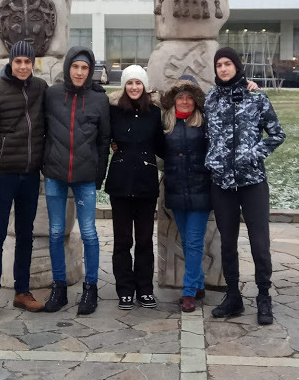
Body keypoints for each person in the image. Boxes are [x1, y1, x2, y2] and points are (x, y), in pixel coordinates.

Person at [204, 47, 285, 325]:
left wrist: (252, 154)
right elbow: (205, 135)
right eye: (219, 65)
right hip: (222, 184)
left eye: (228, 64)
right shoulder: (210, 99)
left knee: (259, 243)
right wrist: (212, 160)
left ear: (237, 66)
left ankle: (263, 296)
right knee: (227, 244)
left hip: (252, 183)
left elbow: (277, 134)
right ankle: (233, 297)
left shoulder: (256, 97)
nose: (223, 69)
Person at [0, 41, 47, 319]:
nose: (23, 66)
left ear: (33, 63)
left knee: (26, 235)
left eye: (28, 62)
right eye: (19, 62)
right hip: (2, 175)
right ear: (11, 63)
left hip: (29, 174)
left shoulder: (40, 89)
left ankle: (22, 291)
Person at [41, 46, 110, 315]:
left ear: (90, 71)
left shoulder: (99, 100)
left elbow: (104, 141)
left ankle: (90, 288)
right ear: (68, 67)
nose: (79, 72)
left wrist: (99, 175)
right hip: (55, 174)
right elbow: (42, 129)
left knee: (89, 232)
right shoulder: (52, 95)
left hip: (85, 176)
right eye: (75, 67)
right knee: (56, 231)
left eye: (84, 68)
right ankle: (59, 287)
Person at [105, 65, 165, 310]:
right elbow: (103, 134)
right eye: (129, 83)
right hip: (120, 183)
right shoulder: (113, 111)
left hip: (145, 184)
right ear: (124, 86)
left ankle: (145, 289)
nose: (134, 87)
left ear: (145, 86)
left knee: (144, 240)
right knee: (122, 241)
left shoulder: (154, 113)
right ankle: (125, 290)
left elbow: (162, 145)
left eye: (138, 83)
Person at [161, 76, 211, 313]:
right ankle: (199, 283)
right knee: (187, 241)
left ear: (195, 101)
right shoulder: (166, 123)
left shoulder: (205, 122)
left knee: (193, 241)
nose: (184, 101)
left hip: (201, 190)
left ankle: (189, 291)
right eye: (180, 97)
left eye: (189, 97)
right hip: (176, 189)